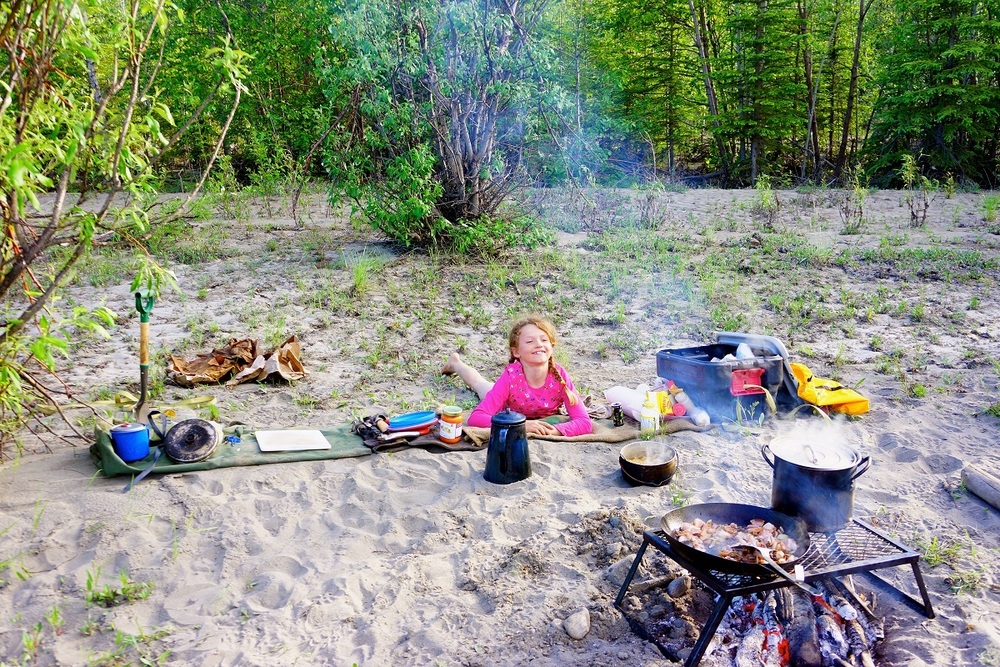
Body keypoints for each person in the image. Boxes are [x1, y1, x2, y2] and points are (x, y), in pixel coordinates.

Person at [441, 316, 593, 437]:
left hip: (523, 401)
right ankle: (456, 364)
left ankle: (456, 363)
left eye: (544, 339)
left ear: (551, 347)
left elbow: (584, 422)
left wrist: (555, 431)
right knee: (479, 384)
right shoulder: (511, 377)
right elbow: (476, 418)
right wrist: (520, 426)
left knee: (483, 384)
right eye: (529, 341)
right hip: (505, 403)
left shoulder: (559, 376)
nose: (539, 344)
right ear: (516, 352)